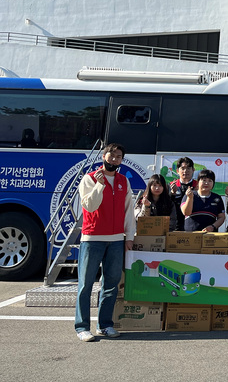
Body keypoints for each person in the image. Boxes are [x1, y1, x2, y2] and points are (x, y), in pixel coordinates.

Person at [75, 142, 136, 342]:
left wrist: (129, 236)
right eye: (111, 155)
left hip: (117, 239)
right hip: (93, 238)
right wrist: (100, 185)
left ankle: (105, 325)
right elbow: (90, 206)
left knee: (111, 283)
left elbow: (129, 212)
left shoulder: (123, 181)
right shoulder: (89, 179)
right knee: (85, 284)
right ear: (104, 156)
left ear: (121, 160)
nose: (114, 159)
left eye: (118, 156)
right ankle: (82, 327)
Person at [168, 157, 197, 231]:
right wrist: (172, 193)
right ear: (177, 171)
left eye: (188, 168)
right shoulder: (171, 185)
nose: (185, 171)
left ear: (193, 170)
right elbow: (166, 206)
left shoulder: (198, 186)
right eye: (183, 168)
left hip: (193, 224)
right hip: (176, 225)